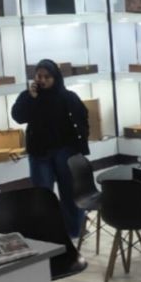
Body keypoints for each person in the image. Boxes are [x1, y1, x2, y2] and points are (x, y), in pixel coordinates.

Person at [11, 59, 90, 240]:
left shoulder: (67, 96)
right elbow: (18, 116)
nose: (43, 80)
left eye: (47, 77)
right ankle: (47, 234)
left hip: (65, 152)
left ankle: (73, 233)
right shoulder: (29, 96)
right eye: (39, 76)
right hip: (40, 154)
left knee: (70, 193)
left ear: (55, 77)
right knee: (42, 195)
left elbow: (82, 118)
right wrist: (30, 98)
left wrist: (80, 143)